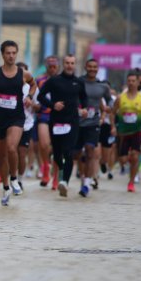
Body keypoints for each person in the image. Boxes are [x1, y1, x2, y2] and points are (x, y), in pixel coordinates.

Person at [0, 40, 36, 206]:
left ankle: (14, 179)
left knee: (12, 147)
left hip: (16, 117)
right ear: (3, 54)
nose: (11, 56)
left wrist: (29, 96)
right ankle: (5, 187)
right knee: (2, 155)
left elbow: (33, 85)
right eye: (8, 53)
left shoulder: (23, 73)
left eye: (14, 53)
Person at [37, 55, 87, 197]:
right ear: (63, 64)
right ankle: (60, 171)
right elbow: (41, 96)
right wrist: (53, 105)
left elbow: (84, 99)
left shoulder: (79, 82)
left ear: (75, 64)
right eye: (67, 63)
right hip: (56, 121)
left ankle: (64, 181)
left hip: (72, 121)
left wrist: (84, 109)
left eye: (72, 63)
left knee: (68, 151)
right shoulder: (54, 81)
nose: (70, 65)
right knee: (57, 154)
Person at [112, 72, 141, 193]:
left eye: (133, 81)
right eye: (129, 81)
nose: (131, 83)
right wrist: (113, 126)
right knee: (123, 160)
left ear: (137, 82)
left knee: (135, 157)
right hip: (123, 133)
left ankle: (131, 183)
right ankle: (127, 165)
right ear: (127, 82)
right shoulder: (121, 97)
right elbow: (112, 112)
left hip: (137, 131)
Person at [77, 59, 112, 195]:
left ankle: (87, 183)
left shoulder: (102, 86)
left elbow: (109, 99)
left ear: (98, 69)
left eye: (94, 67)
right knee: (77, 154)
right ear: (86, 67)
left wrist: (109, 107)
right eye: (90, 66)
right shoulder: (79, 82)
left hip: (93, 123)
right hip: (79, 122)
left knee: (90, 150)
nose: (92, 69)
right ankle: (82, 177)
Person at [36, 56, 60, 187]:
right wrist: (34, 104)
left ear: (58, 67)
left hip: (59, 117)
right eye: (50, 66)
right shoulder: (40, 80)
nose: (52, 69)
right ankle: (45, 167)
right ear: (46, 67)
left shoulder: (62, 80)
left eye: (54, 66)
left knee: (57, 148)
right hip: (43, 115)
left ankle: (55, 176)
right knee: (44, 144)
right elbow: (35, 95)